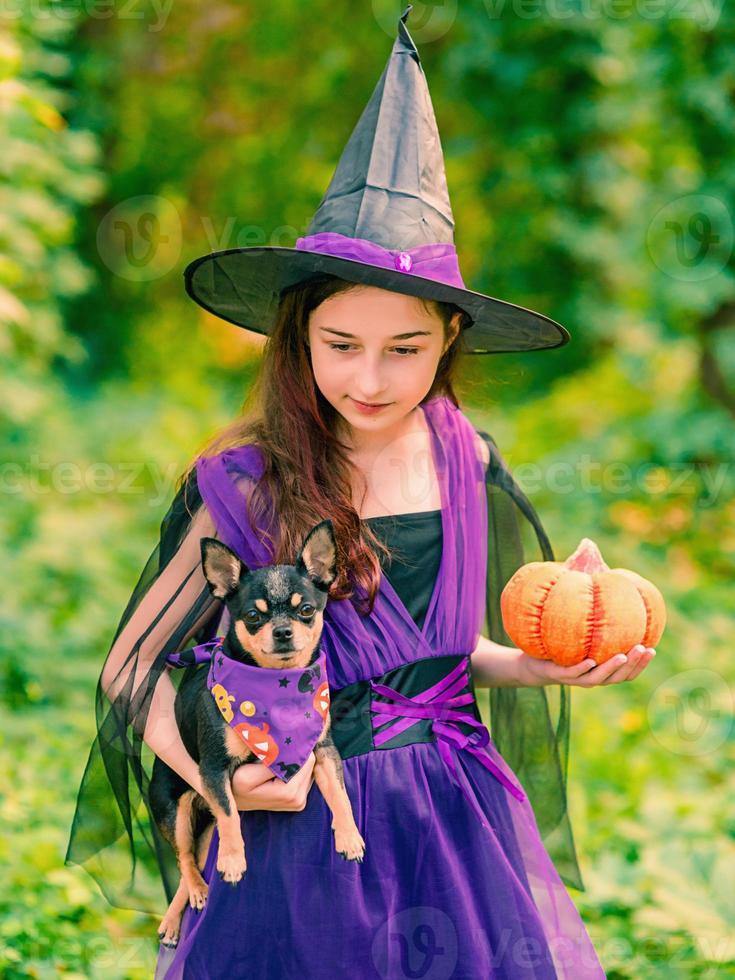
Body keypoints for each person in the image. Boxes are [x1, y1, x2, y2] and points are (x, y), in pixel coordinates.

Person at [65, 8, 656, 978]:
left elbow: (436, 653)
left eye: (405, 348)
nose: (370, 379)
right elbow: (129, 671)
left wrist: (541, 664)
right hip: (301, 829)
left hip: (456, 827)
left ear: (450, 343)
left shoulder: (465, 457)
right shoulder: (246, 485)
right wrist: (217, 780)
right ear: (296, 335)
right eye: (341, 345)